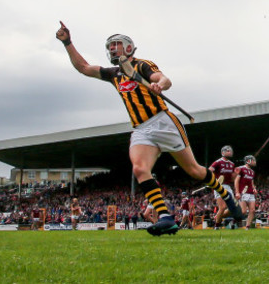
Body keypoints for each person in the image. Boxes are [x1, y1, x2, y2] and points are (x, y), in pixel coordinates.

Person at [55, 22, 242, 236]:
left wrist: (159, 85)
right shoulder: (113, 74)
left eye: (116, 44)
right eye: (110, 46)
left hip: (163, 121)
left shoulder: (142, 65)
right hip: (141, 129)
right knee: (139, 169)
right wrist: (67, 42)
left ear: (128, 47)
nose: (112, 49)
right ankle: (165, 217)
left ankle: (225, 195)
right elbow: (83, 67)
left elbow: (165, 79)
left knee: (194, 171)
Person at [209, 145, 237, 229]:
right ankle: (216, 226)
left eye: (230, 151)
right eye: (228, 151)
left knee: (233, 207)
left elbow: (232, 179)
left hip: (228, 187)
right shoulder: (217, 162)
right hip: (218, 186)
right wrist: (212, 181)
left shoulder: (232, 164)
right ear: (223, 152)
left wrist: (236, 174)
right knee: (222, 207)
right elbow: (209, 171)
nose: (230, 152)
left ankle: (217, 217)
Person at [234, 155, 258, 230]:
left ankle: (247, 226)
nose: (254, 161)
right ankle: (233, 220)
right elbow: (236, 181)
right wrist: (237, 192)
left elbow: (251, 182)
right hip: (243, 193)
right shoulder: (241, 169)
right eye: (253, 160)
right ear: (248, 161)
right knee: (243, 211)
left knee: (252, 210)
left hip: (250, 193)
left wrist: (254, 189)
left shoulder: (252, 172)